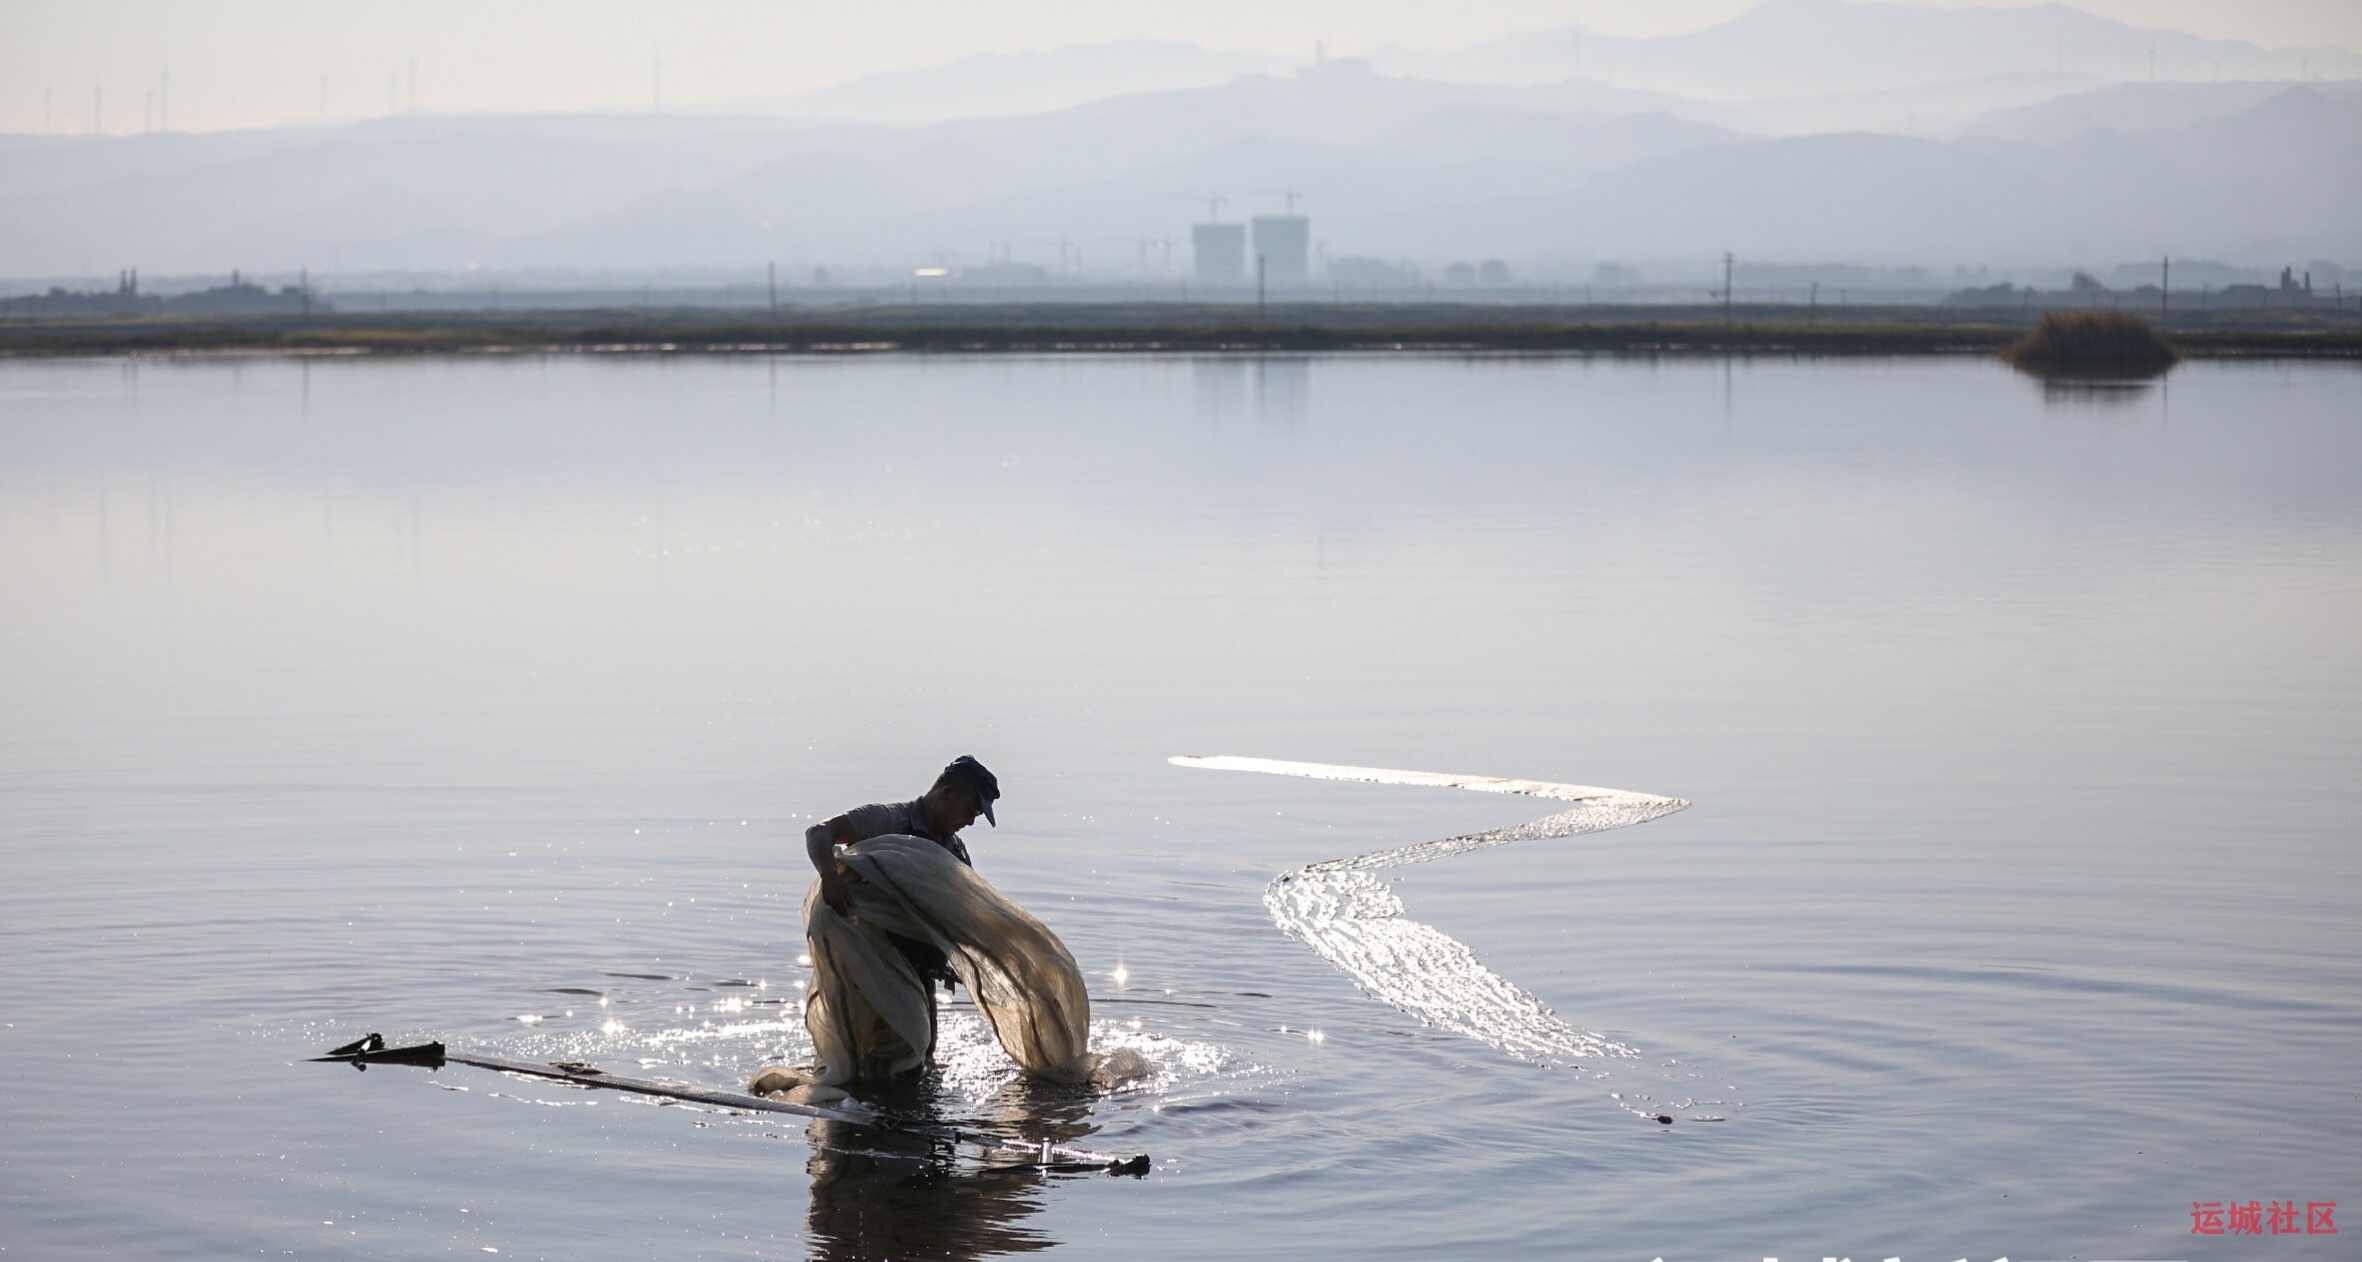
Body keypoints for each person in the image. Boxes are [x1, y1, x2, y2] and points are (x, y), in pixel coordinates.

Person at [754, 757, 1142, 1098]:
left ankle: (893, 1118)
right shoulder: (890, 819)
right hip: (870, 957)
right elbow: (818, 833)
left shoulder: (953, 850)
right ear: (947, 792)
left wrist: (951, 965)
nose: (972, 820)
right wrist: (830, 877)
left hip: (918, 967)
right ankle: (873, 1127)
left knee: (919, 1052)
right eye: (972, 809)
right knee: (885, 1049)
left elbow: (957, 916)